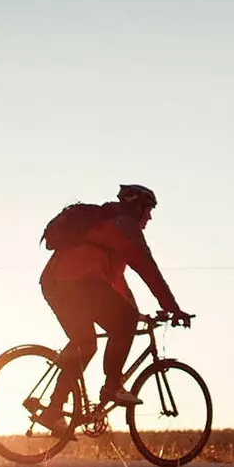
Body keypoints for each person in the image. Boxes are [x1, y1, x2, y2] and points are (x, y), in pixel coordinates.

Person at [35, 184, 191, 434]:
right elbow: (147, 268)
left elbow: (117, 282)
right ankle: (112, 384)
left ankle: (53, 412)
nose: (149, 217)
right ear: (137, 207)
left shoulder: (105, 227)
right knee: (118, 323)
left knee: (85, 344)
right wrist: (173, 308)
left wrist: (133, 313)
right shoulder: (123, 227)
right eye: (148, 210)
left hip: (57, 284)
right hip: (77, 284)